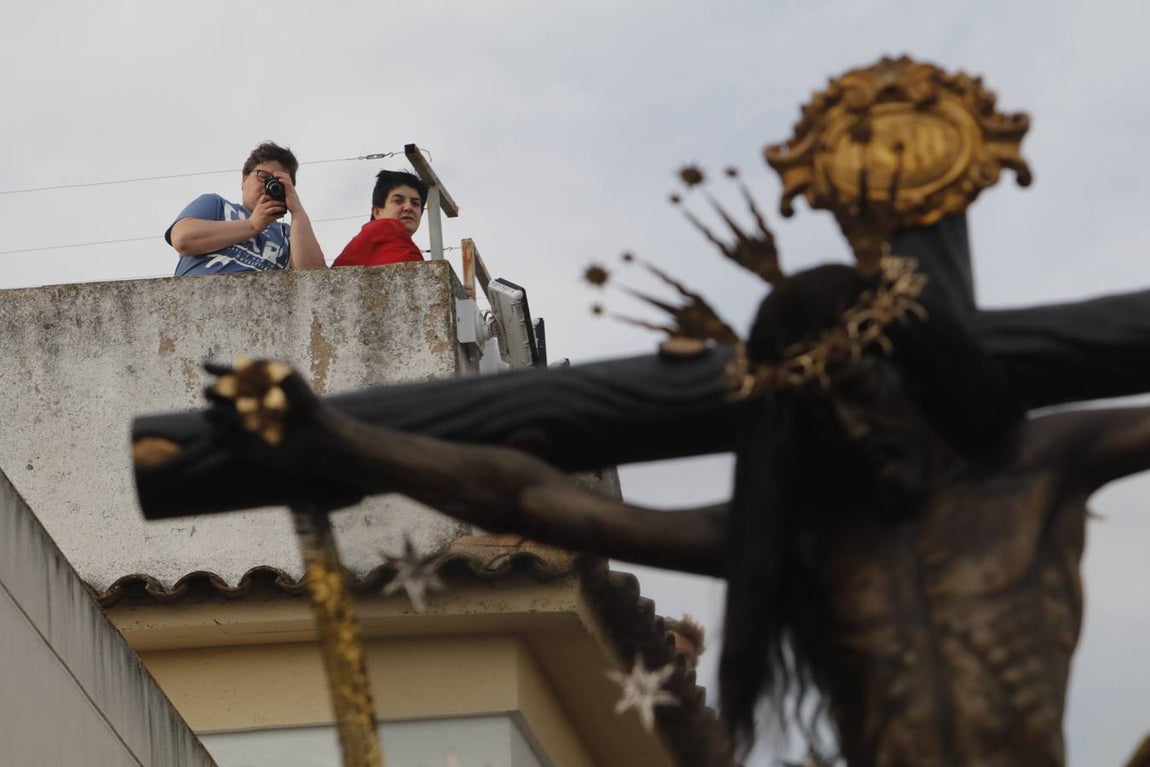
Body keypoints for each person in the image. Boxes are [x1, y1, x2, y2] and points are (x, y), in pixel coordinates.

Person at [181, 255, 1150, 766]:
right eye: (823, 410)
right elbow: (531, 497)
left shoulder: (1040, 465)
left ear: (921, 369)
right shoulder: (799, 542)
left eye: (866, 387)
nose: (856, 428)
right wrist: (341, 439)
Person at [166, 141, 326, 276]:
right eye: (263, 177)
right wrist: (252, 225)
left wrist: (297, 211)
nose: (269, 186)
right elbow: (183, 239)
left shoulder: (289, 233)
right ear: (244, 179)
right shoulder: (216, 204)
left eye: (279, 182)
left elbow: (315, 281)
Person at [332, 170, 429, 268]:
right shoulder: (380, 237)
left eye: (415, 203)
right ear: (377, 212)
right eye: (398, 201)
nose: (408, 207)